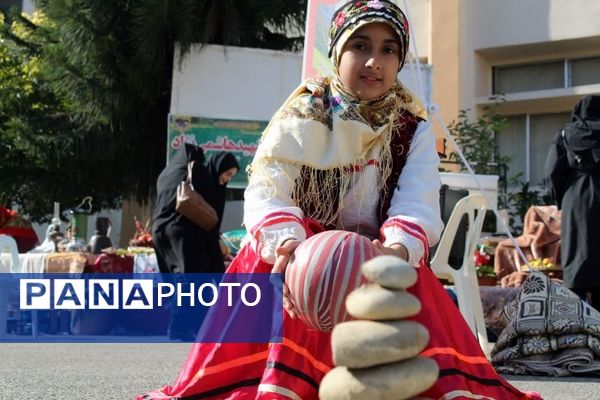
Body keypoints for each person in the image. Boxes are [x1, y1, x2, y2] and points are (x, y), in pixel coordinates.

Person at [140, 1, 538, 399]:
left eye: (388, 50)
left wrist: (395, 251)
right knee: (284, 272)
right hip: (296, 254)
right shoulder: (302, 114)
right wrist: (288, 243)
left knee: (429, 360)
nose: (374, 62)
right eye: (360, 46)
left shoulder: (410, 129)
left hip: (380, 255)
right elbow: (268, 188)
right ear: (337, 52)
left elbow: (416, 200)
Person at [545, 95, 600, 310]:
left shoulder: (566, 134)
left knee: (577, 256)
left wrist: (559, 199)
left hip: (576, 200)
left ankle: (578, 322)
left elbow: (553, 171)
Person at [152, 145, 239, 274]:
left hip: (158, 232)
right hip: (183, 233)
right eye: (228, 174)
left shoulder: (166, 176)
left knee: (173, 280)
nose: (228, 179)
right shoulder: (199, 174)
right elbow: (209, 225)